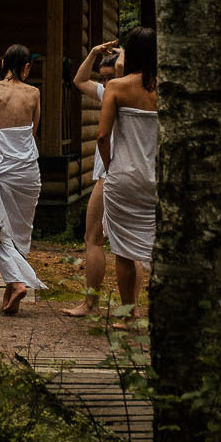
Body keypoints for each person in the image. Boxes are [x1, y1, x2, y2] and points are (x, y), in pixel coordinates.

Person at [0, 43, 47, 315]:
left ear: (3, 62)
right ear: (27, 66)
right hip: (28, 168)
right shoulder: (34, 93)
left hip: (0, 166)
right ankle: (11, 289)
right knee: (20, 228)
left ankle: (16, 282)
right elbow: (34, 130)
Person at [97, 26, 157, 327]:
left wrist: (110, 166)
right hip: (158, 178)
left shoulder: (117, 88)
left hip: (123, 176)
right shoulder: (167, 88)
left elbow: (101, 134)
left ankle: (129, 312)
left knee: (122, 249)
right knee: (159, 242)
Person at [61, 40, 121, 318]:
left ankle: (104, 305)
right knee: (98, 238)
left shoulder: (122, 94)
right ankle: (93, 304)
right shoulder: (116, 92)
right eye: (104, 78)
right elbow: (79, 79)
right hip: (116, 176)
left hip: (113, 175)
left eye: (112, 77)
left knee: (108, 242)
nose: (107, 82)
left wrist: (116, 54)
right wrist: (95, 53)